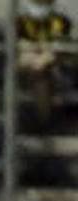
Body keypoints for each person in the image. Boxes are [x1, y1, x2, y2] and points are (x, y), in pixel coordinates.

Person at [17, 0, 72, 128]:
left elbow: (56, 51)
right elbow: (22, 49)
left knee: (42, 77)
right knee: (30, 70)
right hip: (27, 66)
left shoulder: (60, 19)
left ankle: (43, 123)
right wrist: (32, 60)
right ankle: (40, 122)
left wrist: (41, 62)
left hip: (52, 70)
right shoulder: (22, 19)